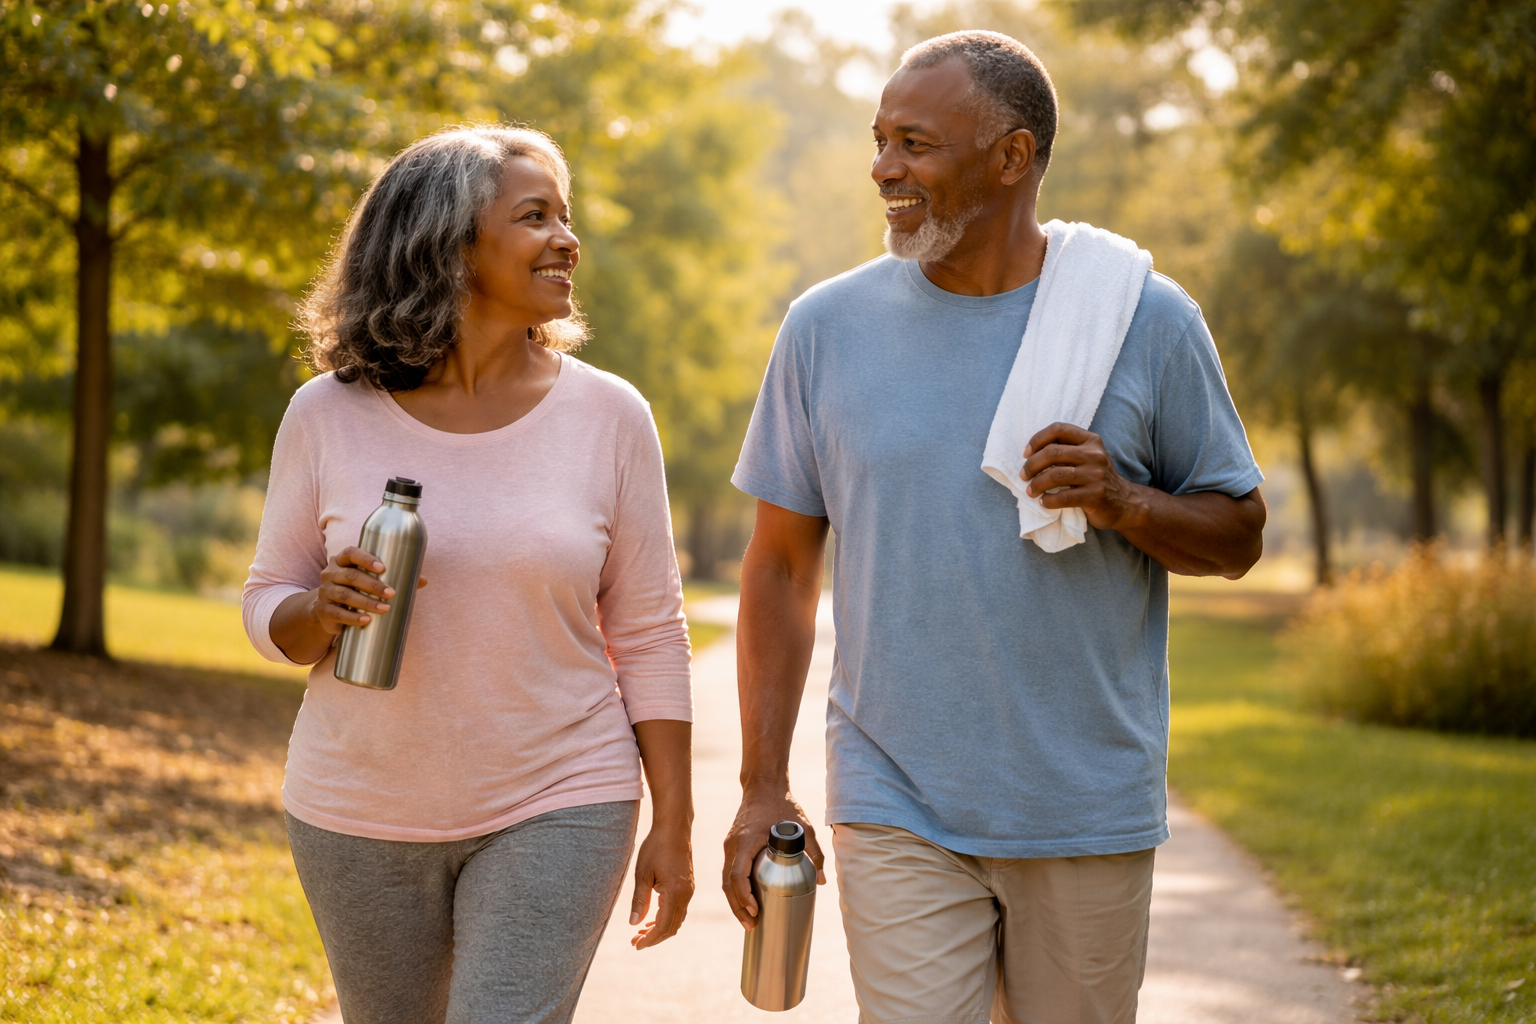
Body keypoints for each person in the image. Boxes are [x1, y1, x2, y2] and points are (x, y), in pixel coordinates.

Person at [722, 31, 1266, 1024]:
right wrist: (764, 784)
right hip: (894, 793)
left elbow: (1238, 532)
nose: (884, 168)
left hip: (1083, 800)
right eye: (880, 140)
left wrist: (1122, 500)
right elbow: (779, 570)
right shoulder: (824, 328)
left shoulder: (1146, 319)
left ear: (1012, 157)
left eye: (916, 144)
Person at [242, 124, 694, 1024]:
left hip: (562, 792)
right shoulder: (329, 412)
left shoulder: (610, 415)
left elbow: (648, 629)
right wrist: (318, 610)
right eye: (536, 217)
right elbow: (267, 605)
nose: (567, 239)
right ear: (448, 243)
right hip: (358, 805)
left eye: (567, 218)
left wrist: (673, 823)